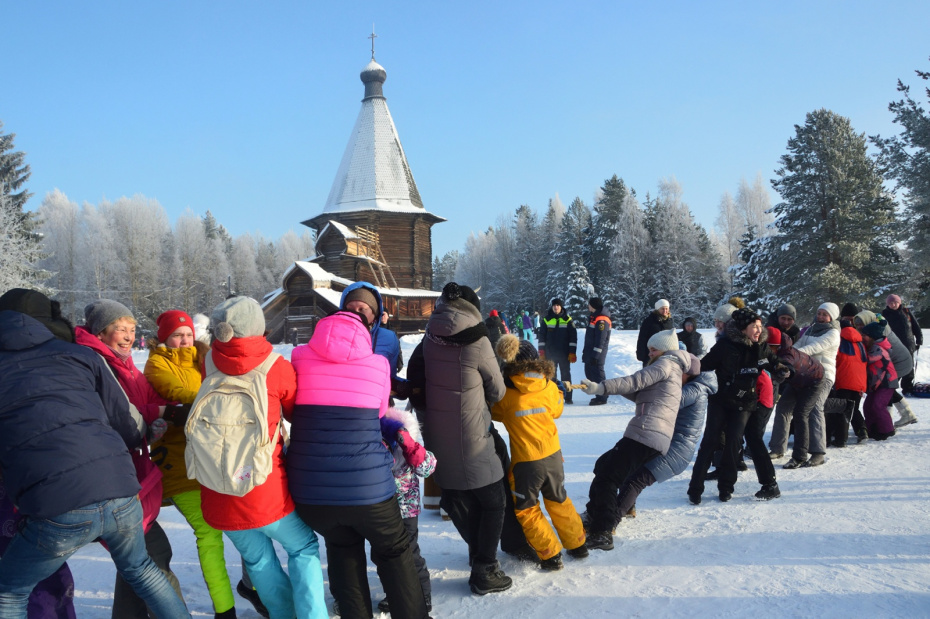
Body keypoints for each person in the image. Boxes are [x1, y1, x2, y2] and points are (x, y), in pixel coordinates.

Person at [0, 289, 189, 619]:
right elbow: (127, 423)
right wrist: (145, 430)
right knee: (144, 571)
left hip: (56, 503)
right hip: (120, 490)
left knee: (10, 590)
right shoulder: (81, 356)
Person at [193, 296, 327, 619]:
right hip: (263, 490)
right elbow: (296, 413)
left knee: (257, 559)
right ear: (258, 326)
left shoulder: (208, 363)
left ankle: (283, 614)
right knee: (303, 547)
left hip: (217, 489)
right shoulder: (275, 367)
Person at [287, 309, 427, 618]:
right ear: (366, 333)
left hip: (312, 493)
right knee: (395, 552)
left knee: (342, 552)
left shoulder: (297, 357)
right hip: (369, 491)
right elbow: (378, 416)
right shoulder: (378, 365)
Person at [74, 299, 187, 618]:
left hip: (133, 477)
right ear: (100, 331)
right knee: (152, 557)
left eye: (132, 329)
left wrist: (182, 400)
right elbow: (119, 415)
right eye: (119, 329)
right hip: (112, 482)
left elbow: (147, 399)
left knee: (134, 564)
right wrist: (163, 413)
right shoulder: (95, 364)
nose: (127, 336)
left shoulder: (124, 364)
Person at [143, 310, 238, 619]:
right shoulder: (157, 364)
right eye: (176, 336)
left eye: (187, 334)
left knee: (249, 529)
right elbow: (179, 392)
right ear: (164, 339)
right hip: (179, 462)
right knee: (208, 533)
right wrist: (223, 398)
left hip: (217, 459)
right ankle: (225, 610)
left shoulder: (207, 357)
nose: (184, 341)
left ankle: (252, 591)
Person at [420, 282, 512, 595]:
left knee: (456, 496)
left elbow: (418, 376)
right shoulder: (478, 340)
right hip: (472, 433)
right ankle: (485, 569)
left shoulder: (429, 337)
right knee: (494, 500)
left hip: (437, 436)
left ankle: (478, 553)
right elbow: (497, 391)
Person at [580, 329, 700, 550]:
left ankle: (602, 531)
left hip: (646, 432)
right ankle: (593, 514)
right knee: (604, 464)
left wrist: (601, 387)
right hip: (653, 436)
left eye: (655, 347)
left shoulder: (665, 364)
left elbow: (635, 381)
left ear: (667, 348)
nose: (650, 350)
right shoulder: (672, 369)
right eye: (649, 347)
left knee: (609, 476)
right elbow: (637, 391)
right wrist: (616, 389)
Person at [492, 335, 587, 570]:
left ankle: (551, 554)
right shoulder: (548, 385)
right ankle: (577, 544)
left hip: (527, 463)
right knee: (559, 499)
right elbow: (556, 411)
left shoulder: (506, 393)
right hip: (554, 456)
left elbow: (493, 413)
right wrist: (560, 394)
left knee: (527, 509)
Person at [688, 309, 782, 504]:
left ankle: (726, 487)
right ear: (742, 328)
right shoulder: (725, 346)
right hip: (721, 400)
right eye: (753, 326)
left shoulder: (761, 347)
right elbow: (702, 366)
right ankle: (695, 488)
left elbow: (775, 364)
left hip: (746, 402)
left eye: (759, 325)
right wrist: (683, 370)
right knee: (710, 441)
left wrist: (783, 370)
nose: (758, 330)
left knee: (734, 443)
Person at [610, 356, 719, 523]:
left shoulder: (695, 390)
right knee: (632, 469)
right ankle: (627, 507)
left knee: (636, 480)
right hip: (668, 443)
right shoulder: (693, 387)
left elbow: (666, 402)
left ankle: (610, 523)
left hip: (676, 449)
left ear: (687, 374)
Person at [375, 409, 438, 614]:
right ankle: (393, 592)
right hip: (381, 510)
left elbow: (428, 468)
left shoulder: (410, 450)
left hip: (407, 511)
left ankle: (422, 593)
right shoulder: (379, 448)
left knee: (410, 553)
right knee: (382, 554)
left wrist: (410, 446)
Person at [777, 302, 841, 469]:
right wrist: (786, 355)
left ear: (831, 317)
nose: (820, 317)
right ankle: (777, 448)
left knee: (815, 408)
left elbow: (815, 347)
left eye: (824, 314)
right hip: (803, 374)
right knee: (784, 404)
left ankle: (818, 452)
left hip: (823, 375)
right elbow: (797, 346)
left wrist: (793, 356)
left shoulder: (833, 333)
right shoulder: (810, 329)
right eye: (819, 313)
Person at [766, 326, 827, 469]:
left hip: (814, 380)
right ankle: (778, 449)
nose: (768, 350)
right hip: (798, 381)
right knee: (782, 408)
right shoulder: (775, 352)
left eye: (770, 347)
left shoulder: (786, 356)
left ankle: (799, 457)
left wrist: (783, 372)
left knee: (801, 414)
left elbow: (788, 367)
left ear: (777, 346)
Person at [854, 310, 918, 428]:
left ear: (868, 320)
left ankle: (891, 419)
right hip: (892, 361)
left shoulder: (878, 331)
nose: (859, 327)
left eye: (861, 323)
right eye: (857, 324)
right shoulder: (874, 327)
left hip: (899, 362)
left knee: (885, 387)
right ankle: (902, 415)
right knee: (885, 388)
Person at [340, 282, 401, 379]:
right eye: (350, 309)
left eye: (362, 309)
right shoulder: (333, 336)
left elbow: (390, 376)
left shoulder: (389, 338)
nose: (355, 314)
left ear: (375, 312)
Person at [861, 319, 898, 440]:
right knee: (868, 406)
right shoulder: (872, 346)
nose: (862, 337)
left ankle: (887, 430)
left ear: (872, 337)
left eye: (865, 335)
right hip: (876, 383)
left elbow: (868, 359)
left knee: (878, 405)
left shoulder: (878, 348)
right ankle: (872, 428)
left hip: (887, 382)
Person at [538, 298, 577, 404]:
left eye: (558, 305)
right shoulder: (546, 319)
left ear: (561, 307)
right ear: (552, 307)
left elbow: (573, 337)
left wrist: (572, 352)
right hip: (550, 354)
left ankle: (568, 397)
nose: (556, 307)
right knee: (551, 376)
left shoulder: (568, 320)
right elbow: (541, 337)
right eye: (554, 305)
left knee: (566, 375)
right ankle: (553, 397)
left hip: (564, 354)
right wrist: (541, 351)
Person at [882, 294, 922, 395]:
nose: (893, 304)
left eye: (895, 302)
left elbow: (915, 326)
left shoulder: (906, 312)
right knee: (895, 367)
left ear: (899, 303)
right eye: (891, 303)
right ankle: (891, 388)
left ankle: (907, 388)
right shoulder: (884, 314)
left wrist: (919, 339)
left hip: (908, 344)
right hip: (893, 346)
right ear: (888, 304)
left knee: (909, 367)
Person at [582, 297, 611, 406]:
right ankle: (598, 394)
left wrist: (596, 355)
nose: (588, 306)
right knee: (590, 372)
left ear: (593, 305)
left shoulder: (601, 319)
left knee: (597, 373)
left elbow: (601, 339)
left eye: (589, 304)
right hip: (591, 351)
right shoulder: (595, 317)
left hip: (597, 352)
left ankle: (602, 396)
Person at [636, 299, 674, 366]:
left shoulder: (669, 322)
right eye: (662, 309)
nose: (665, 311)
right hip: (650, 355)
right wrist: (641, 354)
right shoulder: (649, 321)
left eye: (666, 309)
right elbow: (642, 338)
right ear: (657, 309)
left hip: (665, 356)